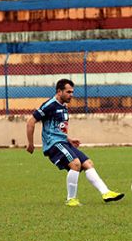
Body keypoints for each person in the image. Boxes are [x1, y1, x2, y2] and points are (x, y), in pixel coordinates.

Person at [26, 79, 124, 207]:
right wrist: (30, 143)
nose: (71, 95)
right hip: (53, 144)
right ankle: (71, 199)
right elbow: (30, 121)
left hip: (62, 142)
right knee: (75, 164)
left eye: (72, 92)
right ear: (59, 91)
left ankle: (106, 193)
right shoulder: (50, 105)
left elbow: (56, 128)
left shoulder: (64, 106)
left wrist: (69, 140)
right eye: (68, 92)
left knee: (88, 163)